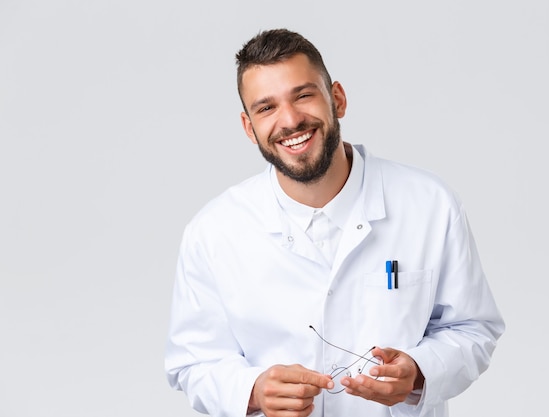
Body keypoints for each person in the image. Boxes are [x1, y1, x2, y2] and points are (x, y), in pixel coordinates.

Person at [164, 28, 505, 417]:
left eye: (303, 95)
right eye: (266, 108)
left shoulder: (430, 204)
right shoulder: (213, 232)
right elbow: (192, 363)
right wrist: (253, 390)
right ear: (249, 127)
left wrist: (420, 371)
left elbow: (475, 329)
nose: (290, 120)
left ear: (337, 99)